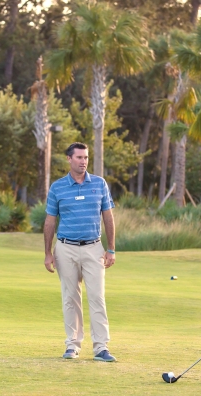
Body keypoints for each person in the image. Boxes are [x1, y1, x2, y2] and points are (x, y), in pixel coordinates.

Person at [44, 142, 117, 362]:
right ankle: (72, 346)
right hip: (65, 248)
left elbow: (108, 218)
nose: (83, 162)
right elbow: (49, 222)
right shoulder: (57, 187)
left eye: (86, 158)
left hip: (94, 247)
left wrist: (111, 249)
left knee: (97, 297)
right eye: (79, 158)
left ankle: (101, 348)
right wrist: (48, 253)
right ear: (69, 159)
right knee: (70, 298)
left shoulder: (99, 184)